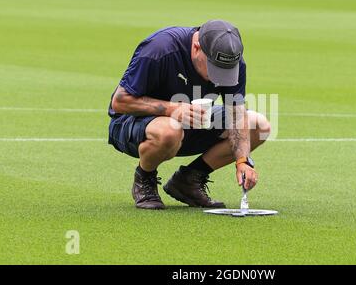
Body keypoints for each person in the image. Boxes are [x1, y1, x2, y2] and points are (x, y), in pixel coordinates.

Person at [108, 19, 271, 210]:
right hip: (132, 123)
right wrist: (172, 109)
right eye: (213, 68)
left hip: (190, 122)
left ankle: (188, 181)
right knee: (170, 131)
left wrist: (243, 160)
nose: (218, 77)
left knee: (258, 126)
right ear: (196, 47)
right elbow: (120, 102)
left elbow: (236, 114)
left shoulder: (232, 62)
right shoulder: (160, 49)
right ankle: (145, 178)